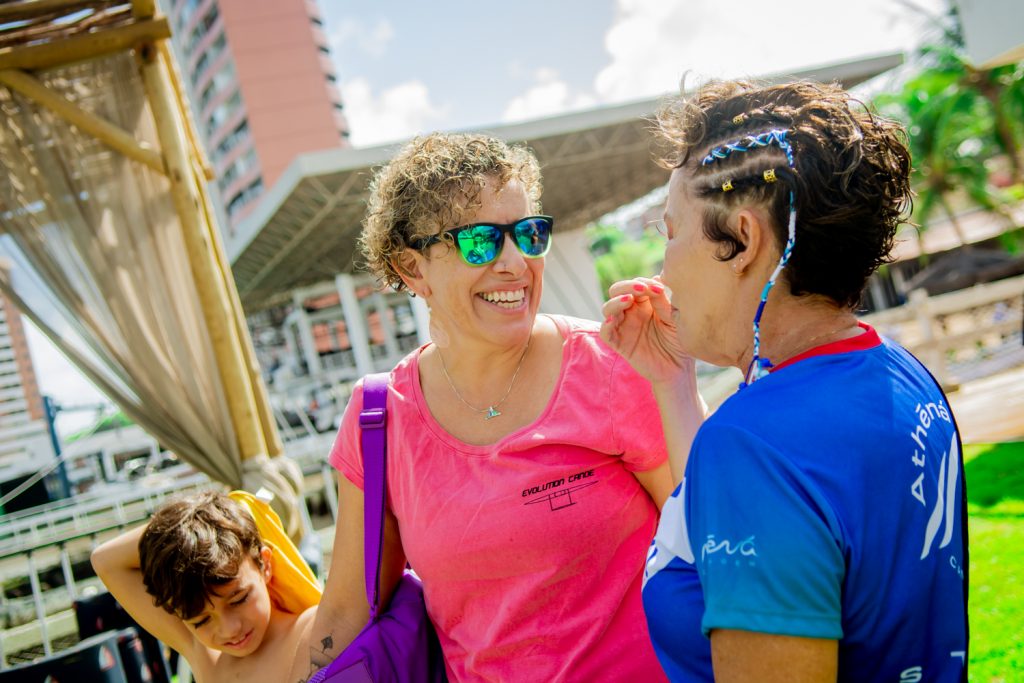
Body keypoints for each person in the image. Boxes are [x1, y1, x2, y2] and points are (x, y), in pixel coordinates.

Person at [601, 80, 969, 682]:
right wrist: (672, 383)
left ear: (742, 240)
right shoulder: (897, 370)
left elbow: (770, 480)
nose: (662, 266)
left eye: (671, 233)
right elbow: (772, 514)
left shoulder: (754, 444)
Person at [307, 132, 674, 682]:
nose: (514, 263)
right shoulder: (378, 419)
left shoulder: (611, 365)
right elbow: (345, 610)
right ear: (412, 270)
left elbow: (705, 539)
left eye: (528, 234)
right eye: (480, 242)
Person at [91, 490, 321, 682]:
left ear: (265, 564)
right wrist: (193, 522)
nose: (229, 630)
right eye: (200, 621)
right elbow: (105, 561)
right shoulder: (207, 655)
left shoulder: (316, 626)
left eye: (238, 599)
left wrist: (222, 514)